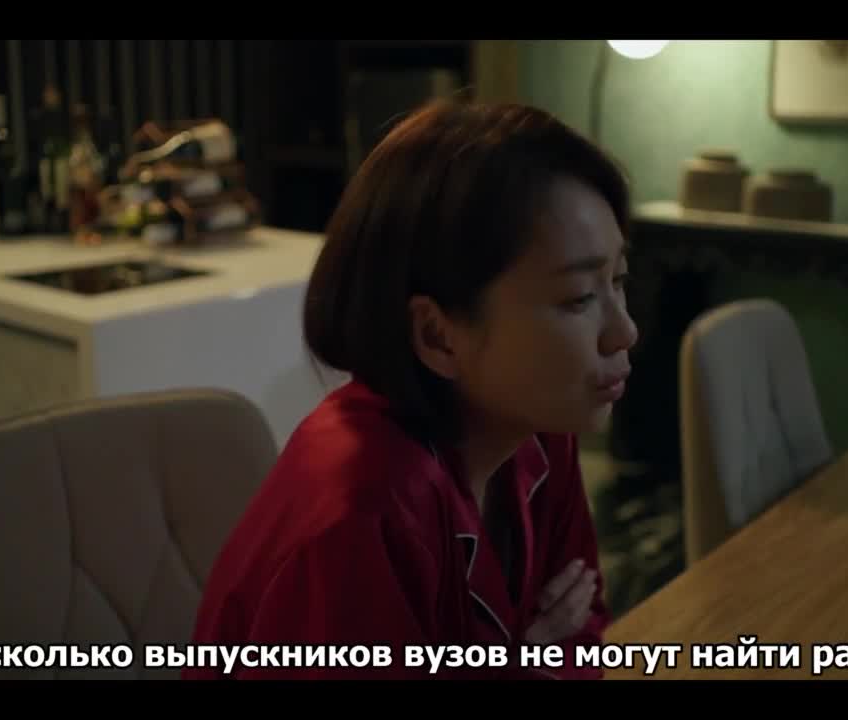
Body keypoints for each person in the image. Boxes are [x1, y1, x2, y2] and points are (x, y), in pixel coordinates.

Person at [184, 99, 639, 680]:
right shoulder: (362, 515)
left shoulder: (542, 425)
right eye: (578, 298)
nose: (625, 331)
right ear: (437, 335)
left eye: (618, 280)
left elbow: (582, 635)